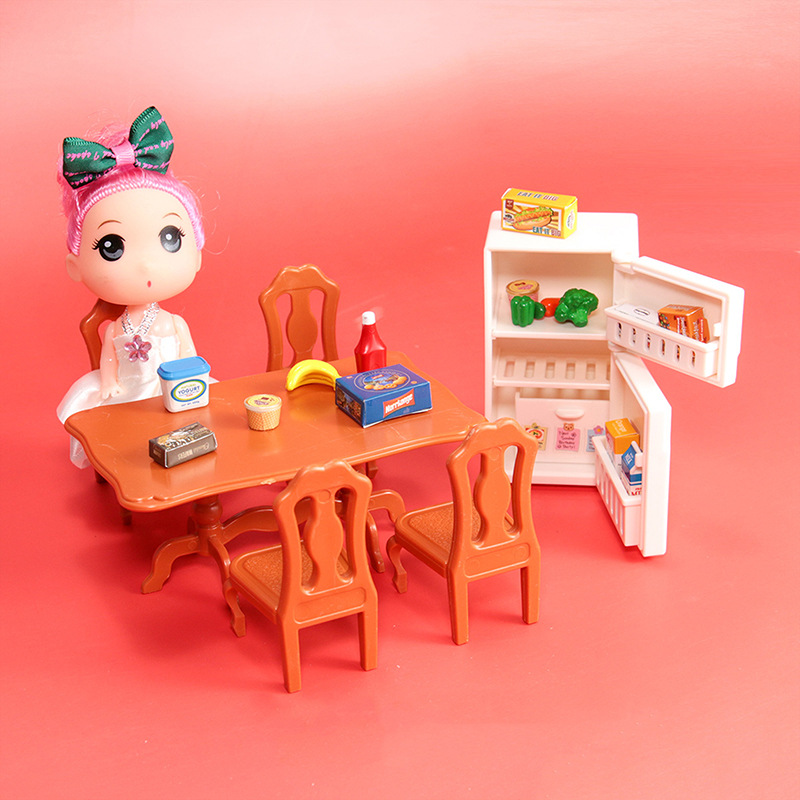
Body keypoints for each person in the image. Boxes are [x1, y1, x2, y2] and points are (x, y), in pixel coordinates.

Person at [56, 106, 206, 467]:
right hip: (130, 390)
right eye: (112, 247)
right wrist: (109, 381)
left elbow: (188, 355)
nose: (145, 265)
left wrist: (189, 375)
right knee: (123, 431)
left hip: (174, 388)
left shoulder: (173, 324)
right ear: (75, 267)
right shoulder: (115, 328)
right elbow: (109, 360)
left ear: (197, 253)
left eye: (170, 238)